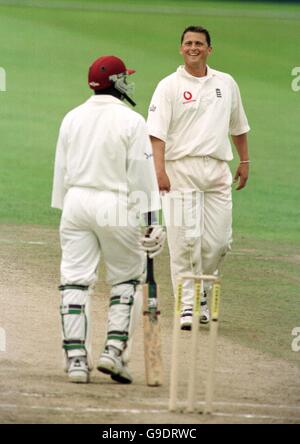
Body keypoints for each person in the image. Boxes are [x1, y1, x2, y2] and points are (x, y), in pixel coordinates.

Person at [51, 55, 165, 384]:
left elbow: (61, 170)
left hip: (75, 202)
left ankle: (75, 360)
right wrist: (152, 221)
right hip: (115, 204)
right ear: (115, 82)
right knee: (126, 280)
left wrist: (67, 207)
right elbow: (142, 176)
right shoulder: (132, 121)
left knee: (74, 280)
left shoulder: (71, 117)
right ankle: (113, 352)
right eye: (124, 77)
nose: (128, 82)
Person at [147, 25, 250, 330]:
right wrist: (159, 170)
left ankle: (202, 290)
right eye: (188, 43)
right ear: (181, 48)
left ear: (209, 49)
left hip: (217, 169)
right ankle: (187, 305)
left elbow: (239, 125)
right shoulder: (169, 86)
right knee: (185, 241)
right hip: (181, 169)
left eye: (200, 44)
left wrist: (245, 160)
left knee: (218, 243)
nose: (194, 47)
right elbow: (156, 134)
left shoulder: (226, 83)